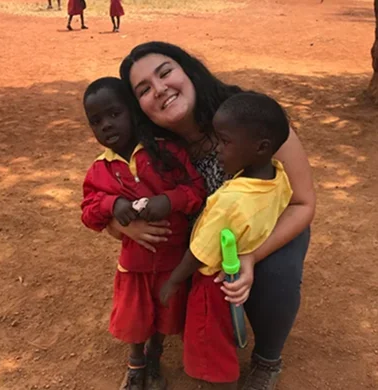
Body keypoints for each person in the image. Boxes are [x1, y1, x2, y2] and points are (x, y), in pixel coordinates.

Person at [108, 41, 316, 390]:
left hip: (264, 228)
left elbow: (303, 204)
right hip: (201, 242)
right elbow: (107, 200)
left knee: (275, 272)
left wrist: (250, 257)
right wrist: (123, 225)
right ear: (138, 107)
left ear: (188, 70)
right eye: (143, 90)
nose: (159, 90)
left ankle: (267, 359)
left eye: (165, 73)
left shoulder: (250, 118)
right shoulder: (146, 150)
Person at [160, 92, 293, 389]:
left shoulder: (230, 200)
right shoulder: (278, 176)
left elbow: (199, 252)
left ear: (261, 148)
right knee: (225, 332)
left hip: (212, 282)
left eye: (225, 141)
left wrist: (174, 281)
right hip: (236, 271)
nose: (217, 149)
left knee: (209, 343)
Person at [81, 77, 205, 390]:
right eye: (96, 121)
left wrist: (169, 200)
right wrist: (112, 204)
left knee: (165, 314)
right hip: (133, 266)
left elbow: (196, 189)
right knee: (134, 318)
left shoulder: (167, 152)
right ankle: (135, 362)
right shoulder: (100, 169)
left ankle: (154, 357)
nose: (106, 126)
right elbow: (88, 212)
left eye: (114, 114)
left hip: (171, 262)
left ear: (134, 112)